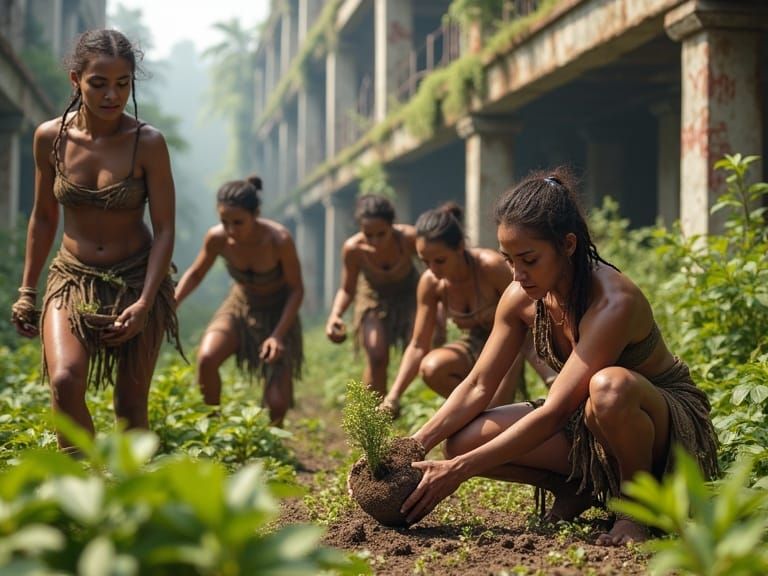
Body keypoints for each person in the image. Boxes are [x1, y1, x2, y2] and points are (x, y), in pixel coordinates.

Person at [400, 169, 719, 546]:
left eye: (529, 259)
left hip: (661, 427)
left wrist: (458, 471)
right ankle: (575, 488)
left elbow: (554, 411)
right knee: (461, 442)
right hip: (585, 419)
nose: (517, 275)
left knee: (609, 388)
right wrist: (412, 446)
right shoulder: (521, 297)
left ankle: (636, 510)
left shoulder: (613, 301)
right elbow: (478, 384)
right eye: (509, 260)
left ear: (567, 245)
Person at [10, 29, 182, 451]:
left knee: (130, 407)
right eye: (99, 83)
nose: (112, 95)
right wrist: (27, 290)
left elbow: (164, 229)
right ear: (76, 80)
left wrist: (145, 303)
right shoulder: (49, 138)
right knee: (64, 381)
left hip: (136, 280)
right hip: (72, 277)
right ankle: (80, 484)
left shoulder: (148, 143)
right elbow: (43, 217)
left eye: (123, 84)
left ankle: (134, 489)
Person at [381, 203, 553, 417]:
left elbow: (535, 315)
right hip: (474, 344)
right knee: (433, 368)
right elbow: (418, 344)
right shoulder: (430, 283)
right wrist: (393, 396)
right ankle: (473, 413)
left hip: (513, 343)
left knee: (495, 409)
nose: (433, 269)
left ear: (460, 247)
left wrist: (549, 372)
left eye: (440, 260)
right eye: (425, 262)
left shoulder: (491, 267)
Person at [174, 176, 303, 427]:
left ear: (256, 214)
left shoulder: (279, 240)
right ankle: (212, 427)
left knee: (277, 405)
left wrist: (277, 336)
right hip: (240, 304)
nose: (231, 230)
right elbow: (197, 273)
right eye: (225, 222)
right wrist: (174, 301)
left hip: (278, 312)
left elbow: (297, 290)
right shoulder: (217, 238)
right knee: (207, 358)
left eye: (238, 222)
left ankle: (270, 439)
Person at [325, 194, 423, 399]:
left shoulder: (409, 239)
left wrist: (437, 304)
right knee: (376, 355)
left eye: (381, 234)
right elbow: (347, 289)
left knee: (419, 347)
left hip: (409, 293)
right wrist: (335, 315)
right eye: (369, 235)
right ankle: (375, 409)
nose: (375, 241)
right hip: (372, 297)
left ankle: (398, 400)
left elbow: (434, 269)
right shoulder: (353, 249)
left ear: (392, 226)